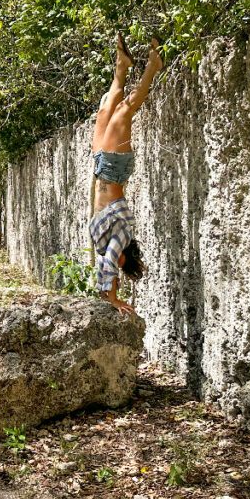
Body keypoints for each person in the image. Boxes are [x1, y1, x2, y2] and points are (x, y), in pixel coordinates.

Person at [89, 34, 163, 315]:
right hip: (115, 168)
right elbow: (109, 264)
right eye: (121, 262)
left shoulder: (108, 244)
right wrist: (113, 300)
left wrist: (111, 293)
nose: (115, 260)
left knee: (106, 110)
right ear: (124, 259)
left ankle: (122, 66)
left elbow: (106, 265)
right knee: (123, 111)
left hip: (101, 167)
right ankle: (153, 66)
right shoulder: (122, 236)